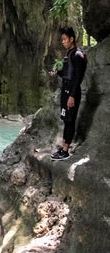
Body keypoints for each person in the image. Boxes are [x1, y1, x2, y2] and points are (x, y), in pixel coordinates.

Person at [49, 26, 88, 160]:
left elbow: (77, 78)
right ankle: (64, 145)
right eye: (62, 39)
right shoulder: (69, 54)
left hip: (72, 92)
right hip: (66, 90)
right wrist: (57, 72)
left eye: (65, 39)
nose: (63, 42)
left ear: (71, 39)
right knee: (66, 120)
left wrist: (72, 96)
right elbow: (67, 75)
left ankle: (65, 151)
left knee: (70, 121)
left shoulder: (78, 55)